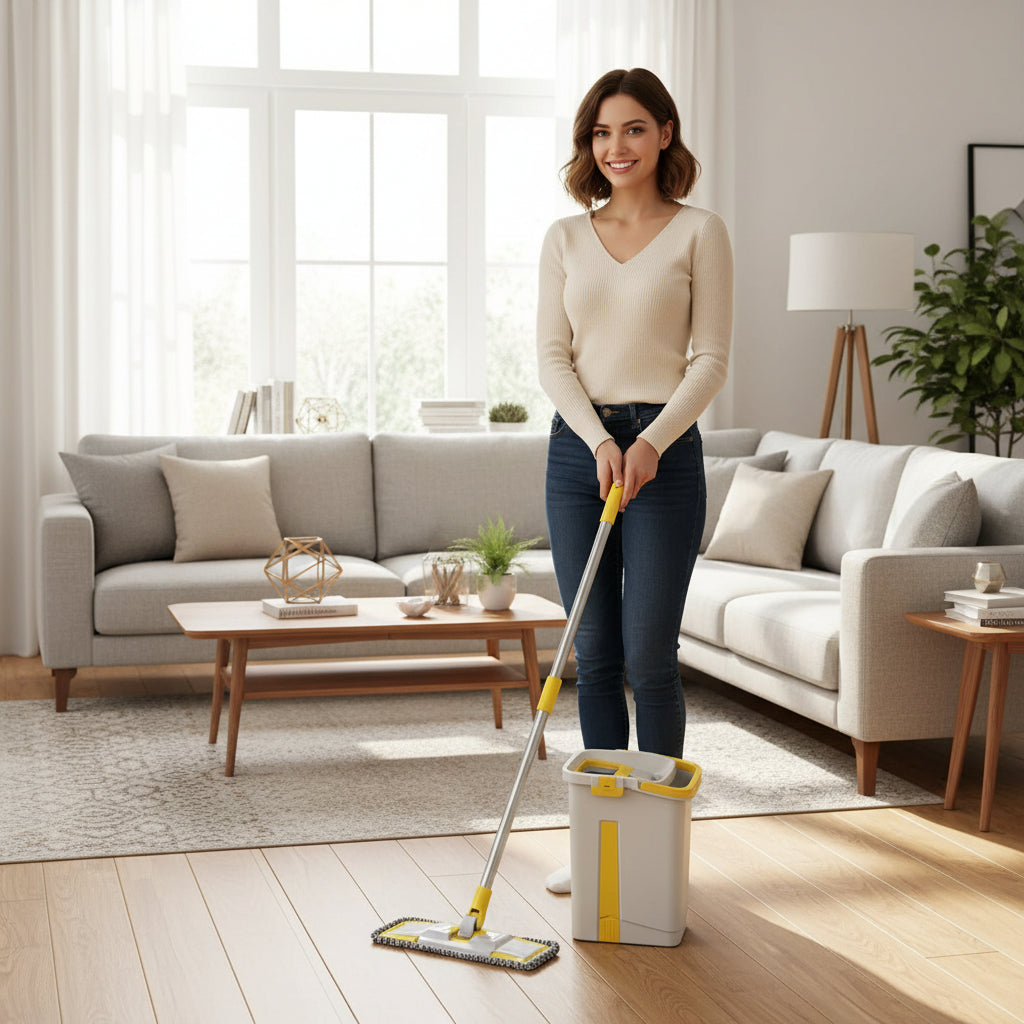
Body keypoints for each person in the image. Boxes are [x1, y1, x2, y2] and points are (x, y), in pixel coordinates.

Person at [537, 68, 733, 892]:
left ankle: (653, 854)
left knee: (650, 656)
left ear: (664, 135)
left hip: (668, 453)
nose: (616, 147)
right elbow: (551, 358)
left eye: (633, 130)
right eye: (601, 133)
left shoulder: (700, 232)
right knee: (596, 649)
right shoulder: (564, 237)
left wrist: (649, 441)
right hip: (577, 452)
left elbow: (711, 359)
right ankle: (599, 851)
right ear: (589, 144)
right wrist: (598, 439)